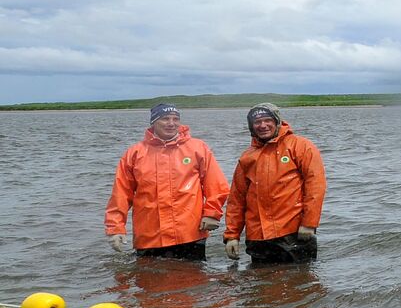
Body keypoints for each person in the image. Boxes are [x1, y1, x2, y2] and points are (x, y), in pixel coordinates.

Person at [105, 103, 230, 259]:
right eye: (165, 119)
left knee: (194, 280)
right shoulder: (134, 153)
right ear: (153, 122)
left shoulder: (198, 148)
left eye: (175, 119)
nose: (171, 123)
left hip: (189, 233)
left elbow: (217, 186)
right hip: (149, 236)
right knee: (149, 280)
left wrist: (212, 213)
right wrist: (116, 228)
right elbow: (121, 194)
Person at [224, 103, 326, 263]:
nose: (262, 125)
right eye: (257, 122)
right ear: (251, 126)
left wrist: (309, 224)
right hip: (257, 237)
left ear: (277, 121)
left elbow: (315, 187)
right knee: (261, 283)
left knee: (302, 283)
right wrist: (231, 236)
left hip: (294, 233)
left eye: (267, 120)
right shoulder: (247, 157)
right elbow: (236, 200)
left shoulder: (301, 146)